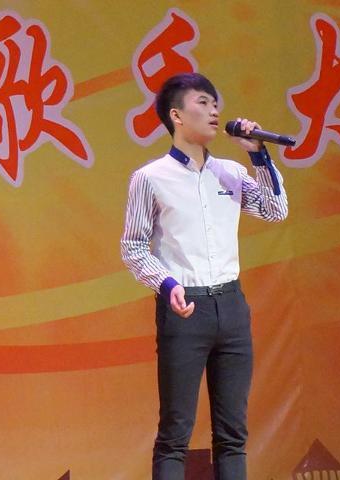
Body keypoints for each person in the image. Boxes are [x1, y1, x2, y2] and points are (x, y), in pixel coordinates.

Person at [120, 72, 288, 480]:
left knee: (232, 434)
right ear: (176, 115)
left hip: (231, 307)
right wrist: (167, 285)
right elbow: (133, 246)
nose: (214, 111)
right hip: (184, 309)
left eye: (215, 104)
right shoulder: (151, 177)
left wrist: (258, 155)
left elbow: (275, 211)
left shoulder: (231, 172)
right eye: (203, 102)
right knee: (175, 434)